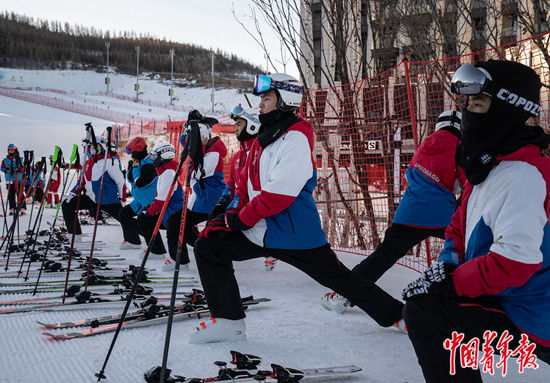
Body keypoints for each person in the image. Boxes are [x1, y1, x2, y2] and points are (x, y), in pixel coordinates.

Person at [189, 73, 405, 344]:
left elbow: (279, 194)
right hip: (259, 230)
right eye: (262, 98)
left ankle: (401, 315)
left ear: (285, 99)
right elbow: (245, 186)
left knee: (340, 280)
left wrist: (239, 220)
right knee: (208, 247)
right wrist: (228, 216)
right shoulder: (263, 140)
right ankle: (228, 321)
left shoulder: (295, 139)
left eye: (267, 98)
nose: (261, 104)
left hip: (294, 235)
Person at [402, 60, 550, 382]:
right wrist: (449, 264)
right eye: (467, 102)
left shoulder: (521, 175)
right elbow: (458, 225)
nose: (467, 111)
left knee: (427, 311)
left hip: (531, 310)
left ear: (505, 110)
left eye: (477, 103)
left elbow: (515, 262)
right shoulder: (489, 165)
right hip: (507, 294)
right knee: (428, 304)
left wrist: (452, 283)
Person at [321, 110, 465, 318]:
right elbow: (468, 183)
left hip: (409, 213)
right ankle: (467, 304)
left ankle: (343, 295)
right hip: (443, 215)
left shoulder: (424, 145)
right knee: (467, 251)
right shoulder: (461, 148)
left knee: (383, 257)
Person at [210, 105, 278, 272]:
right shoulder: (239, 155)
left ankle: (270, 249)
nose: (236, 129)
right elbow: (232, 184)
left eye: (239, 124)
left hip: (262, 213)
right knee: (214, 222)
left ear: (252, 125)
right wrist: (223, 202)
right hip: (243, 207)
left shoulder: (264, 151)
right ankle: (222, 271)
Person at [161, 111, 227, 272]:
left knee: (175, 223)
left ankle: (180, 261)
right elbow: (191, 148)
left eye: (194, 136)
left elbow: (197, 171)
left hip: (207, 202)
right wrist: (190, 129)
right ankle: (196, 253)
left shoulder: (213, 154)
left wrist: (194, 138)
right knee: (182, 226)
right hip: (200, 200)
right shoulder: (206, 150)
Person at [62, 139, 125, 239]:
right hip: (92, 198)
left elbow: (120, 182)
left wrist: (122, 199)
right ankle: (75, 234)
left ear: (103, 148)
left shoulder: (110, 162)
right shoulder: (88, 163)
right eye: (91, 147)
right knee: (67, 205)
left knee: (125, 218)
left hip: (107, 200)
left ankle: (137, 239)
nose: (93, 149)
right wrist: (73, 193)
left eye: (96, 147)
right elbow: (82, 181)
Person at [137, 142, 183, 257]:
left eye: (154, 156)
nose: (152, 160)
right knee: (143, 219)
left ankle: (156, 251)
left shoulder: (169, 173)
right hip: (167, 211)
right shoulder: (163, 172)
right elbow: (160, 197)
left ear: (163, 156)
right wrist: (149, 208)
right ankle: (156, 250)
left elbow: (162, 200)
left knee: (145, 219)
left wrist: (149, 212)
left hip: (172, 213)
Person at [119, 137, 157, 250]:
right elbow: (131, 180)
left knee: (144, 222)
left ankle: (155, 250)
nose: (132, 156)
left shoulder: (150, 164)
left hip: (149, 201)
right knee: (124, 214)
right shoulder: (140, 162)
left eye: (133, 153)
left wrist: (134, 168)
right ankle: (132, 241)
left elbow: (139, 183)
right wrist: (131, 168)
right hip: (140, 199)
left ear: (140, 149)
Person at [1, 144, 25, 214]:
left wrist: (19, 169)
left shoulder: (20, 159)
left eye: (12, 150)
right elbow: (2, 168)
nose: (10, 151)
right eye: (9, 150)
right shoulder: (5, 160)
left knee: (20, 193)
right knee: (11, 194)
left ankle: (22, 207)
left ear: (15, 150)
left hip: (18, 179)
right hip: (9, 179)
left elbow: (23, 168)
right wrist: (6, 170)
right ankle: (12, 208)